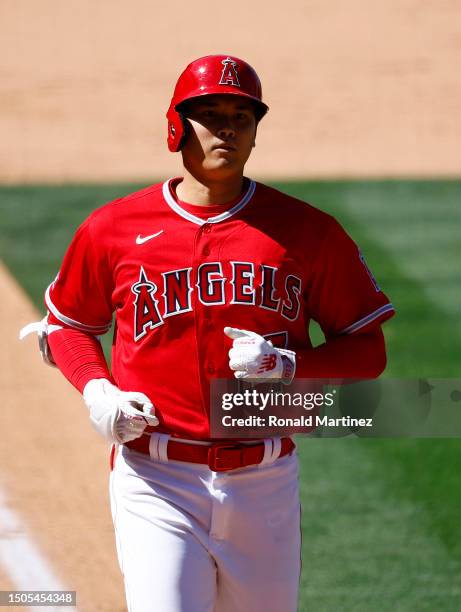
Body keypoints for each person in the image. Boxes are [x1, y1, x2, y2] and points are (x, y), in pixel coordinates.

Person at [22, 55, 395, 611]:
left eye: (241, 117)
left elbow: (369, 351)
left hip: (264, 483)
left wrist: (291, 367)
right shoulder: (113, 229)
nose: (226, 128)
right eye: (210, 114)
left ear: (254, 133)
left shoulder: (307, 232)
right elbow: (69, 327)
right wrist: (98, 390)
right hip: (156, 481)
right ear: (177, 127)